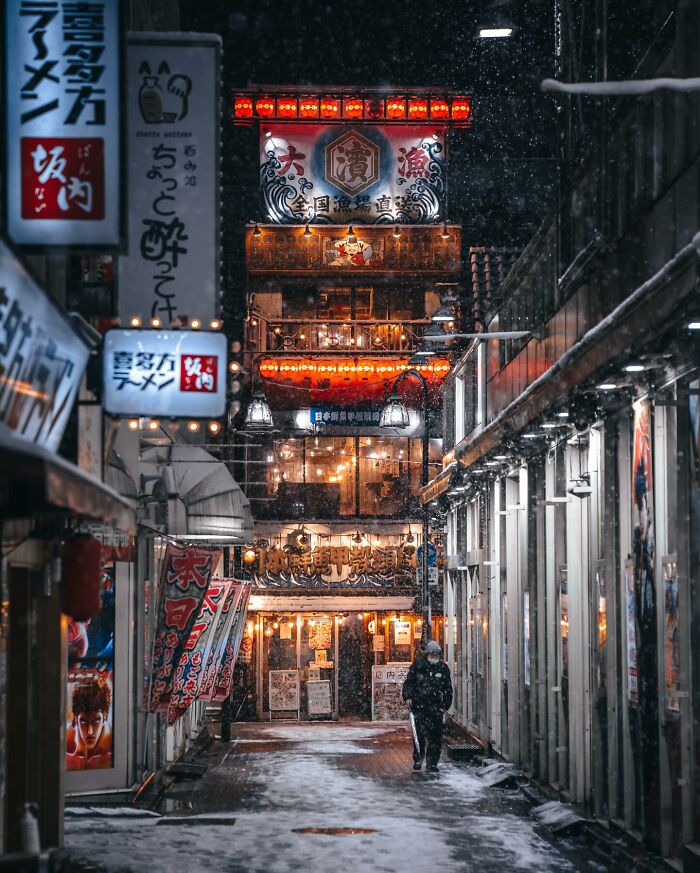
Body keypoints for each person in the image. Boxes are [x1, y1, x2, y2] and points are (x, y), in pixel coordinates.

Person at [402, 639, 453, 772]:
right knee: (418, 736)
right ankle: (418, 759)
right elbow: (409, 683)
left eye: (437, 655)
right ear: (427, 654)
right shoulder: (418, 666)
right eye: (432, 654)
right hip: (419, 706)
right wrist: (407, 696)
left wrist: (444, 706)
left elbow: (448, 689)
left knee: (435, 737)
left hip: (436, 708)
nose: (435, 657)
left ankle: (432, 763)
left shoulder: (443, 668)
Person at [66, 681, 113, 771]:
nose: (90, 731)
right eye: (83, 722)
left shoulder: (113, 748)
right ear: (76, 719)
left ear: (105, 718)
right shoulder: (64, 744)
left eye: (96, 721)